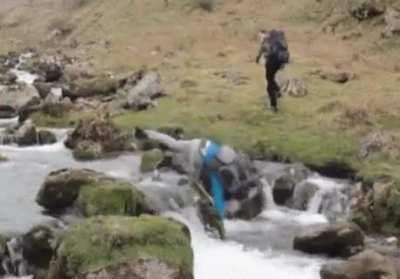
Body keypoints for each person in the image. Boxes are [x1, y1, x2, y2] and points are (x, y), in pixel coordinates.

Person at [135, 128, 266, 220]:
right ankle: (191, 207)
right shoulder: (217, 163)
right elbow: (209, 182)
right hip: (196, 153)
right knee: (195, 183)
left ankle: (148, 133)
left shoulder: (223, 155)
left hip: (199, 142)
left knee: (174, 144)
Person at [256, 29, 290, 112]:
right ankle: (278, 91)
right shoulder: (278, 39)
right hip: (280, 61)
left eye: (259, 35)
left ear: (263, 33)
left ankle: (273, 106)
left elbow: (264, 50)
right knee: (271, 78)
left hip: (272, 62)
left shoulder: (266, 39)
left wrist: (258, 58)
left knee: (269, 82)